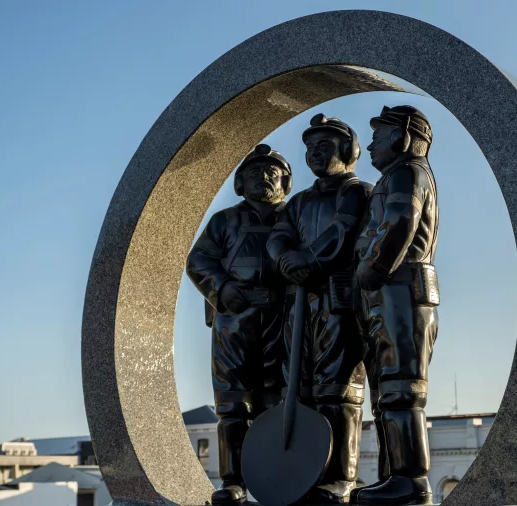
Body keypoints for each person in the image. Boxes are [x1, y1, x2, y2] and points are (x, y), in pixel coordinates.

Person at [266, 113, 370, 503]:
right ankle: (306, 475)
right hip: (299, 303)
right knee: (300, 390)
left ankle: (342, 476)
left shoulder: (356, 191)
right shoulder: (299, 202)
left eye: (324, 146)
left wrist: (306, 258)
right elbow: (279, 237)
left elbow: (342, 232)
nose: (314, 154)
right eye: (310, 148)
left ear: (348, 150)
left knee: (338, 390)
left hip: (337, 298)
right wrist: (284, 260)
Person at [185, 144, 292, 505]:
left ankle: (275, 479)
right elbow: (199, 260)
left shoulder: (295, 218)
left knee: (278, 400)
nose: (263, 177)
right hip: (234, 323)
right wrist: (224, 288)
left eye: (272, 172)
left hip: (283, 322)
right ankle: (234, 481)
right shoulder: (224, 221)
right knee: (233, 405)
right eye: (253, 172)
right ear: (239, 182)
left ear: (286, 182)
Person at [352, 106, 440, 506]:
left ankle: (410, 481)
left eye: (379, 134)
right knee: (388, 392)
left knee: (402, 390)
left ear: (402, 137)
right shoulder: (396, 175)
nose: (370, 144)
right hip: (388, 293)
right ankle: (393, 476)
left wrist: (371, 268)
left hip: (399, 289)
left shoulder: (407, 173)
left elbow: (401, 222)